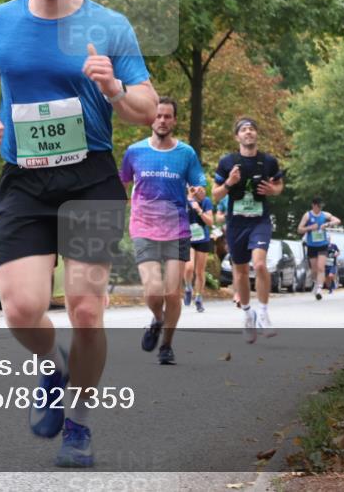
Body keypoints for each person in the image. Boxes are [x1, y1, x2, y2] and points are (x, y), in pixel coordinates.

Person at [0, 0, 158, 468]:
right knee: (22, 310)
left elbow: (146, 109)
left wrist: (114, 87)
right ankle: (53, 366)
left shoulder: (110, 26)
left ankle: (79, 423)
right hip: (24, 180)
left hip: (89, 178)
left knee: (86, 311)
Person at [120, 97, 206, 365]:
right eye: (158, 116)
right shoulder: (134, 152)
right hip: (143, 227)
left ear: (174, 121)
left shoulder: (186, 153)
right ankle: (158, 319)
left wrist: (199, 193)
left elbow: (200, 187)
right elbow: (121, 184)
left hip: (177, 230)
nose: (162, 120)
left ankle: (166, 346)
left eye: (168, 116)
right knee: (154, 291)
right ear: (151, 119)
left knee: (172, 293)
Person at [211, 117, 285, 343]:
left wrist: (272, 190)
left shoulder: (268, 161)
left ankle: (263, 312)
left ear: (256, 134)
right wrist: (229, 183)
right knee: (241, 271)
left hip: (259, 221)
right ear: (237, 137)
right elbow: (215, 195)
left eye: (252, 129)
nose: (249, 132)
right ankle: (247, 314)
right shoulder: (228, 162)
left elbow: (279, 186)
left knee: (260, 264)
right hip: (236, 224)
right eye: (244, 129)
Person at [296, 197, 341, 301]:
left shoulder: (324, 215)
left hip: (323, 245)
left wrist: (327, 224)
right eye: (318, 206)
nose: (319, 208)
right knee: (314, 270)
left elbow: (337, 220)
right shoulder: (307, 215)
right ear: (313, 205)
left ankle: (319, 289)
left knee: (321, 267)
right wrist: (310, 228)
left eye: (321, 206)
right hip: (312, 246)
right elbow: (299, 229)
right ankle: (316, 283)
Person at [184, 185, 214, 313]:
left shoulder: (205, 201)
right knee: (189, 267)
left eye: (198, 187)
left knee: (200, 271)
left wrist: (199, 210)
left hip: (202, 239)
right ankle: (188, 287)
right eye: (193, 187)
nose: (196, 190)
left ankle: (198, 297)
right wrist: (189, 199)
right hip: (188, 238)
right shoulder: (183, 199)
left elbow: (210, 222)